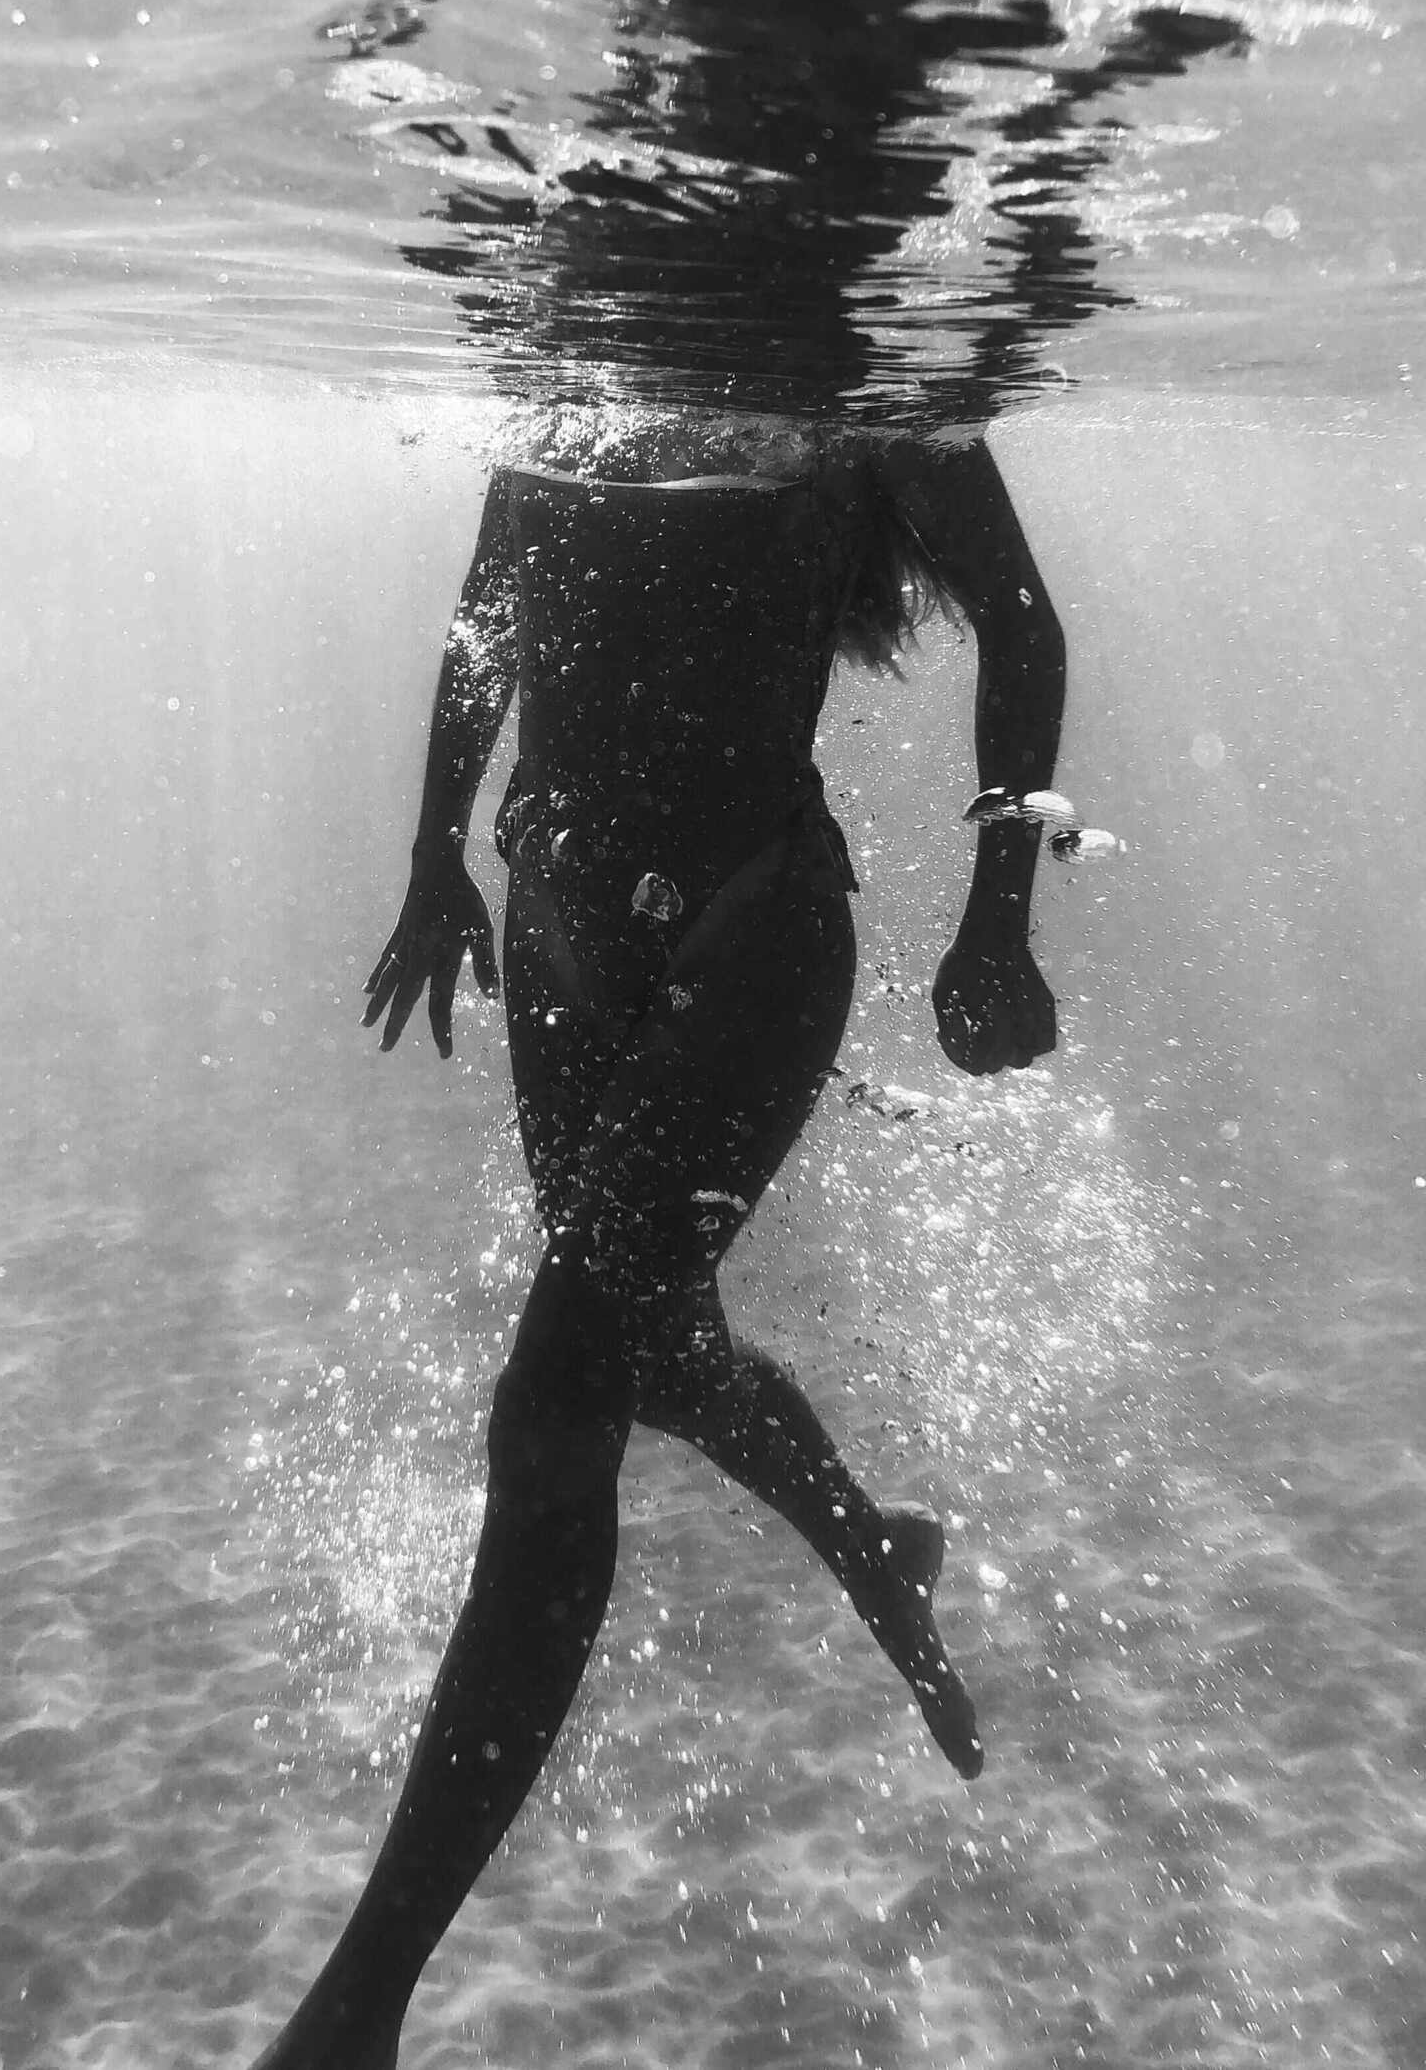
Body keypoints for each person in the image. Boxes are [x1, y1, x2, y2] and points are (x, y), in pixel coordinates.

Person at [250, 406, 1065, 2070]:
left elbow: (1023, 614)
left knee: (557, 1408)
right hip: (554, 909)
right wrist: (431, 860)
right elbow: (490, 609)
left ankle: (357, 2011)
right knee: (658, 1352)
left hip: (754, 928)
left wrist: (999, 915)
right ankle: (869, 1539)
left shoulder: (857, 364)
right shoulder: (563, 335)